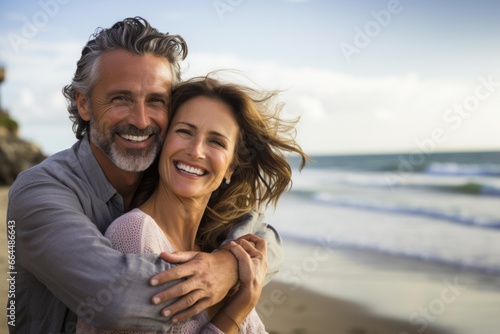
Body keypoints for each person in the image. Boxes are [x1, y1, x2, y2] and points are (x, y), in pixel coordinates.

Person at [6, 17, 284, 333]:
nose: (140, 120)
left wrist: (229, 266)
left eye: (155, 101)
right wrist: (228, 283)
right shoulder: (40, 191)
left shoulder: (173, 170)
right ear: (83, 104)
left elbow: (265, 236)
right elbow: (119, 300)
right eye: (121, 98)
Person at [76, 74, 308, 333]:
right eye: (185, 132)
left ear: (231, 166)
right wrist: (238, 308)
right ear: (162, 144)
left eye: (216, 141)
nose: (196, 150)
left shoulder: (217, 250)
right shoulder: (137, 234)